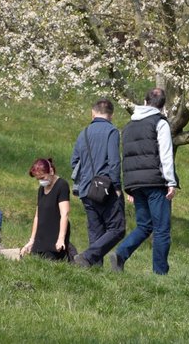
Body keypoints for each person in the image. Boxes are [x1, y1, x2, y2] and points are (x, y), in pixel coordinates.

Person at [108, 87, 178, 275]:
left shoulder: (129, 126)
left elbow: (127, 156)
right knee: (161, 229)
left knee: (144, 225)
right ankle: (160, 272)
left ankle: (121, 253)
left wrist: (129, 187)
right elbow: (165, 154)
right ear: (163, 106)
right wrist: (170, 181)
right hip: (156, 182)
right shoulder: (160, 123)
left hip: (135, 182)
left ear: (145, 102)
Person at [70, 98, 125, 268]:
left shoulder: (84, 132)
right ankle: (87, 256)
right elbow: (114, 161)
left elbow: (74, 161)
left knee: (96, 230)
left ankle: (93, 269)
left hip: (87, 189)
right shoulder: (112, 132)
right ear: (111, 114)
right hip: (106, 188)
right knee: (117, 228)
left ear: (92, 112)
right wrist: (116, 186)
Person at [21, 158, 72, 261]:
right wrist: (32, 240)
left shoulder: (62, 186)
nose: (41, 181)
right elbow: (37, 216)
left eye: (43, 177)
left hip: (54, 237)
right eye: (38, 179)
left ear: (51, 171)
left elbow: (64, 214)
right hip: (41, 238)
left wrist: (61, 238)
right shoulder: (41, 189)